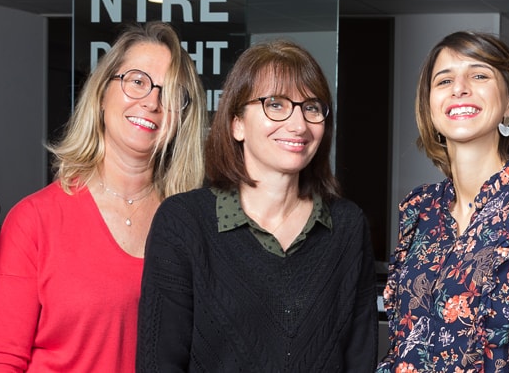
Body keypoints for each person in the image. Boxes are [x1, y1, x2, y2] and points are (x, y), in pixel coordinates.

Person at [0, 22, 205, 372]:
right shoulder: (35, 221)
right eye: (137, 81)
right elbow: (1, 360)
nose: (152, 102)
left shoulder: (191, 224)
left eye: (171, 93)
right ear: (101, 93)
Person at [136, 40, 376, 372]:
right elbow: (158, 364)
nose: (298, 124)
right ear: (236, 123)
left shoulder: (347, 225)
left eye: (312, 107)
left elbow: (359, 359)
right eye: (275, 105)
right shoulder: (184, 223)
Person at [378, 31, 509, 373]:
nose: (459, 88)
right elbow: (401, 344)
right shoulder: (418, 208)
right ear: (430, 107)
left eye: (479, 75)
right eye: (444, 80)